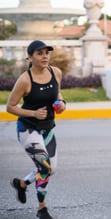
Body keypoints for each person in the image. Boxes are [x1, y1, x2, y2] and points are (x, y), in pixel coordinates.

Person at [6, 40, 66, 219]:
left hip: (48, 128)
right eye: (39, 53)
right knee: (45, 168)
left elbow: (58, 94)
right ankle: (42, 208)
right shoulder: (25, 80)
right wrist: (33, 113)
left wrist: (61, 103)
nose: (45, 56)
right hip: (28, 129)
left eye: (47, 53)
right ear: (30, 57)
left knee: (51, 169)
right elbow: (10, 107)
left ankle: (22, 184)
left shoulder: (56, 72)